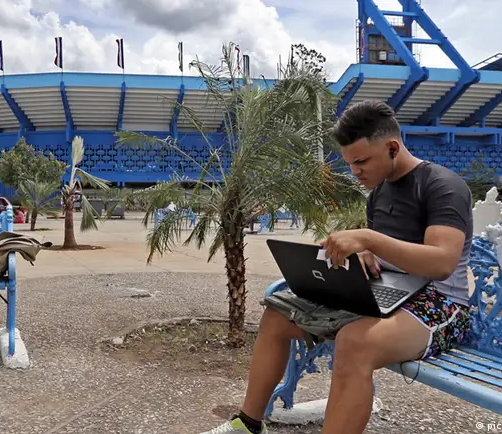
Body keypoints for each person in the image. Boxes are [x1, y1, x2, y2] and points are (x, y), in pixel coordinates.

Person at [202, 100, 473, 434]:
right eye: (349, 163)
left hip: (442, 305)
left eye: (361, 161)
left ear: (392, 148)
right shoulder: (380, 193)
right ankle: (248, 424)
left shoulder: (442, 185)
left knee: (355, 342)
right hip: (387, 289)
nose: (355, 171)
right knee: (277, 315)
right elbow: (390, 249)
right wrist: (367, 255)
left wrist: (370, 240)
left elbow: (442, 262)